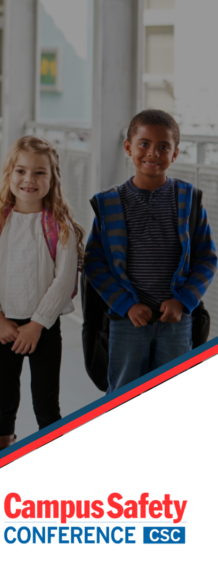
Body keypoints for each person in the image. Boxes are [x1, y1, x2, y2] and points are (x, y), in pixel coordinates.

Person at [84, 109, 216, 392]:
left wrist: (183, 300)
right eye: (144, 144)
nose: (153, 153)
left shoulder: (189, 200)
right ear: (128, 147)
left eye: (163, 146)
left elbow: (207, 258)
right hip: (127, 322)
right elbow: (94, 262)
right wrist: (126, 305)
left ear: (176, 153)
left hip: (177, 322)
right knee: (123, 397)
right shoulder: (109, 204)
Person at [0, 136, 83, 455]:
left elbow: (64, 279)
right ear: (9, 174)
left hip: (45, 330)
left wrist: (38, 324)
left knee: (47, 404)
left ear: (53, 179)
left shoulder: (60, 225)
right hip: (4, 329)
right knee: (3, 403)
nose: (29, 180)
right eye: (21, 171)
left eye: (39, 173)